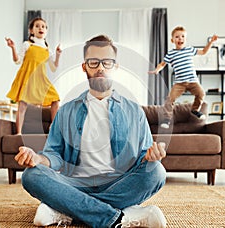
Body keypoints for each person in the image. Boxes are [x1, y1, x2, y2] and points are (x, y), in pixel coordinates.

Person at [15, 35, 167, 228]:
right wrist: (37, 159)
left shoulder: (134, 110)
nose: (101, 68)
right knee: (31, 175)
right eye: (94, 62)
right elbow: (54, 155)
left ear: (116, 67)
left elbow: (144, 159)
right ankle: (121, 217)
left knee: (156, 172)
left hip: (119, 184)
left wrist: (151, 156)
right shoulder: (66, 111)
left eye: (107, 62)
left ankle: (65, 210)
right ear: (84, 66)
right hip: (74, 185)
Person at [149, 26, 218, 129]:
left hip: (193, 81)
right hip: (179, 83)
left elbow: (203, 52)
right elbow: (162, 64)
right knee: (170, 99)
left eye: (182, 37)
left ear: (186, 39)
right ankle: (167, 119)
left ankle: (195, 110)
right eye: (177, 37)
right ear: (172, 40)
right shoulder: (171, 54)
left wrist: (211, 42)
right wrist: (157, 70)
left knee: (201, 94)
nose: (180, 39)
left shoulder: (190, 49)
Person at [5, 17, 62, 134]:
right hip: (27, 77)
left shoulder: (47, 50)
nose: (41, 28)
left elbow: (53, 67)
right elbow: (17, 61)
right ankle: (19, 132)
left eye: (43, 26)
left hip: (41, 79)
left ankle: (53, 126)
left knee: (55, 99)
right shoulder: (27, 45)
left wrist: (58, 54)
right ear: (31, 31)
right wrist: (13, 48)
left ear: (46, 31)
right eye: (37, 26)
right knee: (22, 106)